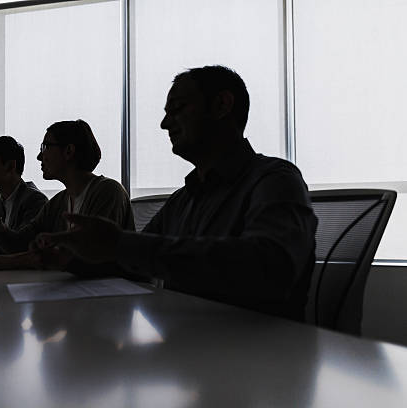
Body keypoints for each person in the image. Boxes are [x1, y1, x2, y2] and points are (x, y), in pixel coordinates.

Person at [35, 66, 318, 321]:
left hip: (262, 359)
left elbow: (270, 268)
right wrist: (72, 260)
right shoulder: (184, 199)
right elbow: (134, 263)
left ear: (221, 105)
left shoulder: (275, 179)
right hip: (191, 351)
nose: (164, 124)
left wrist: (120, 244)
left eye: (178, 108)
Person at [0, 119, 134, 271]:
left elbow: (92, 257)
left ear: (68, 151)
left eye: (45, 147)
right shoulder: (59, 201)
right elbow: (18, 244)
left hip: (113, 299)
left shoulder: (109, 192)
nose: (39, 156)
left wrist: (12, 261)